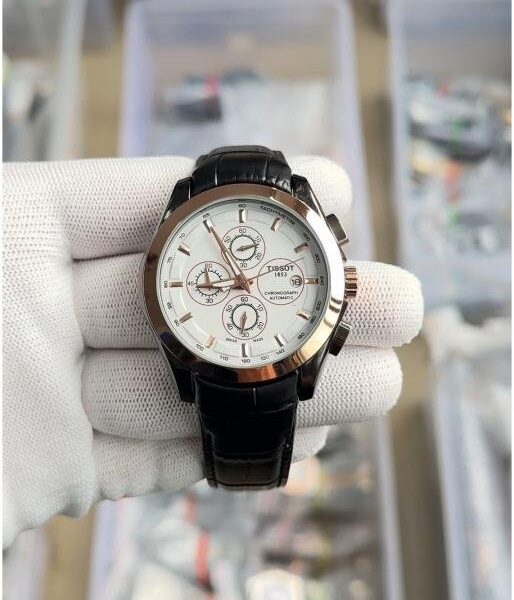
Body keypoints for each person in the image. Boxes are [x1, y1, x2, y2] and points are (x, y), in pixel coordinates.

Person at [3, 155, 423, 547]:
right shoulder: (173, 270)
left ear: (342, 283)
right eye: (240, 281)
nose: (244, 283)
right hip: (209, 359)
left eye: (247, 282)